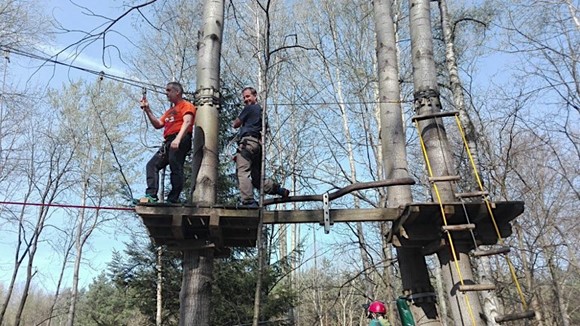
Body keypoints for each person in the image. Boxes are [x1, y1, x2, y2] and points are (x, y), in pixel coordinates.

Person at [232, 87, 289, 207]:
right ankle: (278, 190)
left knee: (242, 172)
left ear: (255, 96)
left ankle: (248, 201)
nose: (246, 100)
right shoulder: (262, 112)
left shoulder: (249, 108)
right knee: (257, 179)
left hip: (247, 143)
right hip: (257, 146)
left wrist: (240, 119)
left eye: (248, 96)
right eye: (244, 98)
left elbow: (235, 124)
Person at [139, 82, 196, 203]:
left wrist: (178, 139)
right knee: (152, 165)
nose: (167, 93)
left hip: (181, 137)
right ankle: (151, 195)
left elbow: (187, 122)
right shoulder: (170, 111)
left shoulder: (186, 105)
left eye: (169, 90)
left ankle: (173, 198)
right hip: (169, 141)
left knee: (175, 166)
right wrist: (148, 110)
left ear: (177, 92)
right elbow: (158, 124)